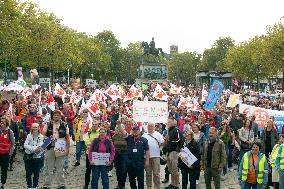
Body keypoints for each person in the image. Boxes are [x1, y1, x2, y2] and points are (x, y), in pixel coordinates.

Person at [42, 110, 70, 189]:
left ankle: (61, 184)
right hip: (50, 147)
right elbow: (42, 136)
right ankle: (47, 185)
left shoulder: (64, 125)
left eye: (58, 115)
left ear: (60, 116)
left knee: (60, 167)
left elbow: (67, 138)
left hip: (60, 148)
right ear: (52, 116)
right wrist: (49, 139)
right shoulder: (48, 124)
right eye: (55, 115)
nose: (56, 116)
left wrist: (68, 149)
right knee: (48, 167)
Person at [118, 123, 150, 189]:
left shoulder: (144, 140)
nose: (135, 131)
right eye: (134, 130)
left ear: (139, 131)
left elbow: (147, 150)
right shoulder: (129, 138)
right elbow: (123, 132)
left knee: (140, 179)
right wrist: (119, 124)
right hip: (130, 163)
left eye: (136, 130)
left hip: (139, 163)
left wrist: (147, 161)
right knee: (132, 179)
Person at [142, 122, 165, 189]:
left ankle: (157, 187)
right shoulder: (144, 135)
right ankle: (149, 187)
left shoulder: (158, 134)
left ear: (154, 127)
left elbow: (162, 143)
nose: (150, 127)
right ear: (147, 127)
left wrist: (161, 146)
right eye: (149, 126)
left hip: (156, 156)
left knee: (156, 174)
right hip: (147, 157)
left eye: (152, 126)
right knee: (148, 174)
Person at [23, 123, 44, 189]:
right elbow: (25, 145)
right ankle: (29, 187)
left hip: (37, 157)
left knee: (36, 173)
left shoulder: (41, 136)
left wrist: (33, 148)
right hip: (28, 157)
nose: (35, 128)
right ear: (31, 128)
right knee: (28, 173)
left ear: (38, 128)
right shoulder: (29, 136)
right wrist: (34, 149)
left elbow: (41, 146)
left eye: (36, 127)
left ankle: (35, 186)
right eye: (33, 127)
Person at [164, 118, 182, 189]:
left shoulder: (176, 130)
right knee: (170, 169)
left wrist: (169, 140)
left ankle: (176, 185)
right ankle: (172, 184)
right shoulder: (169, 130)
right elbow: (168, 142)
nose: (167, 123)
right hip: (169, 152)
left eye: (169, 122)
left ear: (173, 123)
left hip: (174, 152)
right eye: (167, 122)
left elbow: (178, 140)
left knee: (174, 169)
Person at [83, 120, 100, 189]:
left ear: (98, 125)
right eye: (93, 124)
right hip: (89, 154)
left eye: (95, 124)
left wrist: (92, 144)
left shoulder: (100, 132)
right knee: (88, 169)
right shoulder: (89, 132)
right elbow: (86, 142)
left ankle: (94, 185)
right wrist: (94, 145)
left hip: (98, 154)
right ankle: (86, 184)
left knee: (96, 170)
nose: (94, 125)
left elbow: (101, 142)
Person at [112, 121, 129, 189]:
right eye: (117, 128)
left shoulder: (126, 135)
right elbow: (112, 145)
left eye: (120, 128)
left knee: (124, 169)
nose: (118, 129)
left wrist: (119, 125)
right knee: (118, 170)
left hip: (124, 153)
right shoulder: (115, 136)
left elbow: (124, 134)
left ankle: (122, 185)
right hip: (116, 154)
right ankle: (119, 185)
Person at [0, 116, 15, 189]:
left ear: (7, 123)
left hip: (6, 155)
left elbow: (13, 144)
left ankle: (2, 184)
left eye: (3, 122)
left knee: (4, 170)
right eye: (1, 122)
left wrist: (10, 154)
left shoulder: (10, 132)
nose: (1, 123)